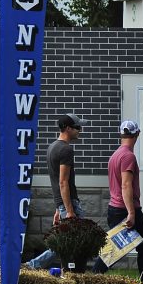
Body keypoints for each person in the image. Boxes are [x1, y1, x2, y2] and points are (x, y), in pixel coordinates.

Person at [26, 113, 88, 271]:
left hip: (62, 204)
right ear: (67, 128)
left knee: (65, 241)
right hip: (70, 204)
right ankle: (34, 266)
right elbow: (62, 182)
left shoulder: (52, 147)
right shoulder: (66, 149)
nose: (80, 130)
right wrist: (68, 210)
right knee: (75, 240)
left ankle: (37, 266)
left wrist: (58, 208)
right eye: (77, 127)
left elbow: (55, 180)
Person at [107, 120, 143, 284]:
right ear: (137, 134)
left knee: (111, 252)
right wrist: (132, 213)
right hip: (126, 210)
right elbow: (126, 185)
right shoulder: (128, 156)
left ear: (121, 135)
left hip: (114, 208)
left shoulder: (115, 155)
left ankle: (91, 278)